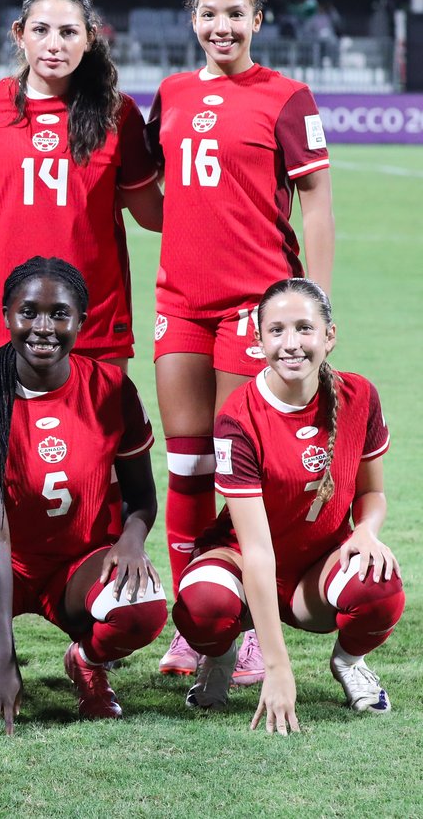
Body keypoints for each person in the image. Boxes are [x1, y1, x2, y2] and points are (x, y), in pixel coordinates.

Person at [147, 0, 334, 680]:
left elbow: (315, 201)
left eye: (235, 14)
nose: (221, 26)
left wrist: (311, 305)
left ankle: (250, 628)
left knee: (234, 469)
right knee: (186, 462)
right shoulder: (168, 93)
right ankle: (195, 628)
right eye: (208, 13)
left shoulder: (287, 97)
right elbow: (145, 191)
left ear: (258, 18)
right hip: (180, 303)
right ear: (192, 17)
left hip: (255, 309)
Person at [0, 257, 167, 735]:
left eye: (59, 314)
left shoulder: (112, 388)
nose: (43, 327)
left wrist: (131, 541)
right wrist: (2, 654)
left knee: (142, 608)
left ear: (81, 321)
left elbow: (142, 496)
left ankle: (85, 663)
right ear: (6, 316)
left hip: (78, 562)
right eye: (29, 312)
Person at [172, 279, 400, 731]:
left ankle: (349, 663)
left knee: (381, 586)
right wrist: (277, 669)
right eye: (276, 331)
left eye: (304, 328)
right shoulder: (238, 417)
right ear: (258, 342)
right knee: (201, 606)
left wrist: (365, 531)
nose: (291, 344)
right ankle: (219, 658)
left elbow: (371, 493)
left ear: (329, 336)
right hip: (242, 561)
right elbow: (256, 550)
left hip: (314, 570)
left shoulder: (360, 396)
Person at [0, 0, 161, 368]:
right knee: (4, 431)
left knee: (99, 431)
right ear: (20, 34)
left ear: (90, 37)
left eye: (69, 32)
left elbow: (151, 214)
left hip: (94, 320)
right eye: (41, 30)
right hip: (3, 317)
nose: (54, 44)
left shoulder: (118, 115)